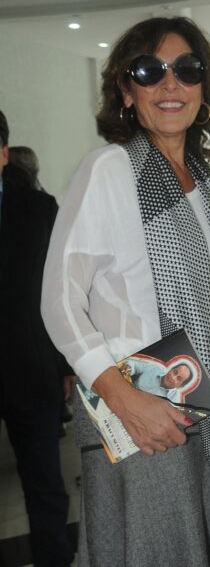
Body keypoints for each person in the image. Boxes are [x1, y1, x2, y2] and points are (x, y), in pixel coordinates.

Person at [41, 17, 210, 566]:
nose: (171, 84)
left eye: (187, 71)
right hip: (141, 417)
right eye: (149, 71)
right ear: (126, 89)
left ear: (204, 90)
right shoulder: (110, 170)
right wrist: (124, 397)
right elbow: (58, 299)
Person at [0, 109, 75, 567]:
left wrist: (67, 364)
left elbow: (60, 290)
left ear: (4, 153)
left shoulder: (38, 210)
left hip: (30, 367)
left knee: (45, 484)